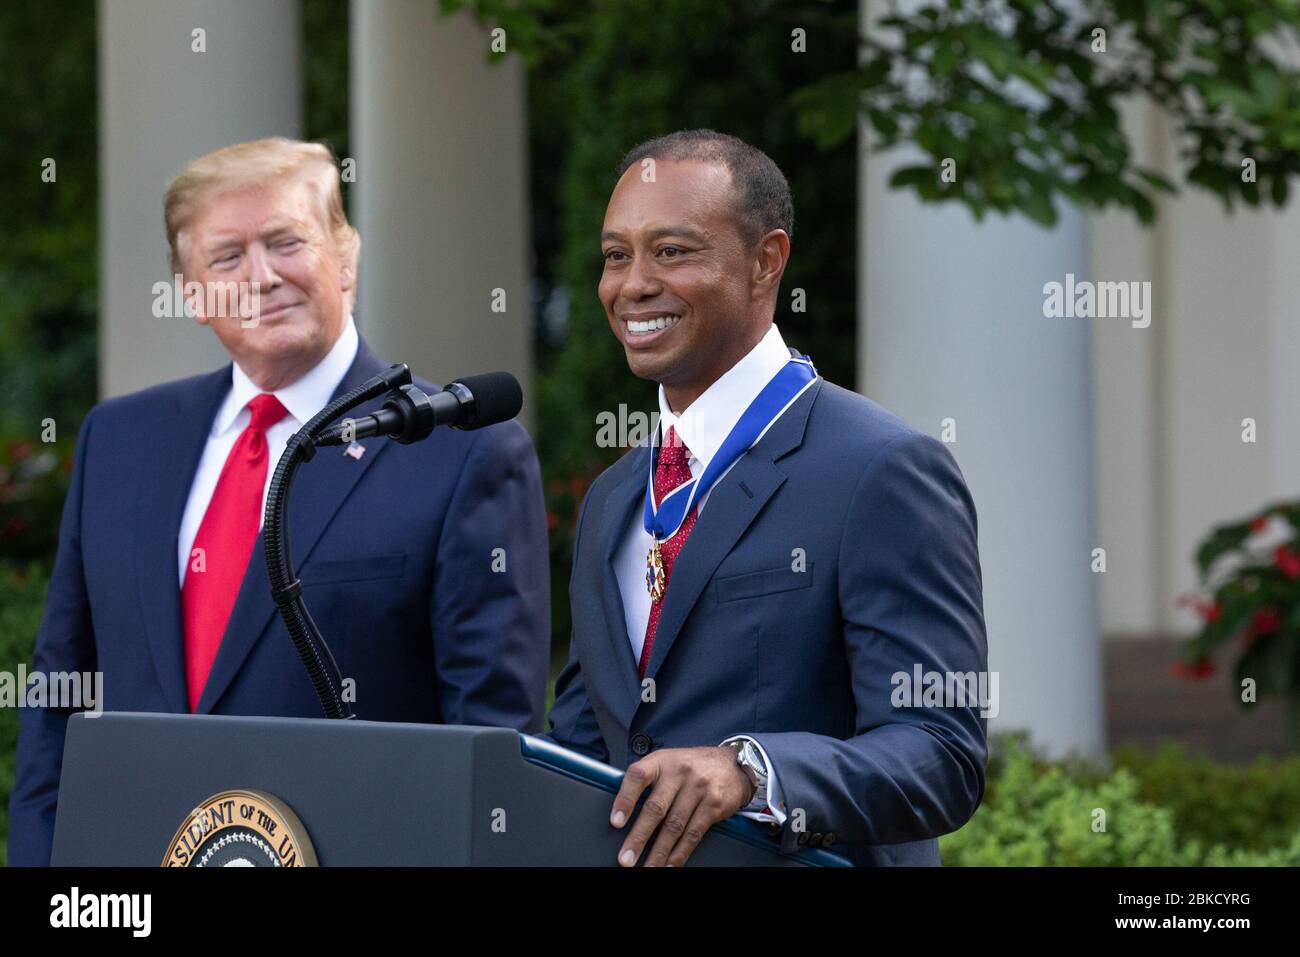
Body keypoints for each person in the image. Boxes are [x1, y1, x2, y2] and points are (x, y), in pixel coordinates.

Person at [8, 138, 550, 866]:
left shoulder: (462, 451)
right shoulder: (118, 440)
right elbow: (60, 698)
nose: (260, 277)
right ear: (192, 293)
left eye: (286, 242)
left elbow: (494, 747)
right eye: (226, 257)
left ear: (347, 258)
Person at [545, 130, 988, 867]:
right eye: (616, 254)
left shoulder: (882, 468)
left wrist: (751, 770)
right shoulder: (612, 499)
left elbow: (941, 751)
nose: (633, 283)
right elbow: (579, 754)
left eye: (673, 250)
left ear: (766, 261)